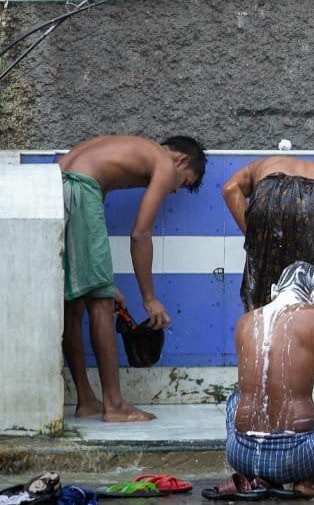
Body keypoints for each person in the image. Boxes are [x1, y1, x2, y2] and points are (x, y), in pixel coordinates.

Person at [221, 155, 314, 473]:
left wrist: (254, 239)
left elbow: (230, 188)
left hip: (269, 196)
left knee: (265, 316)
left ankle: (260, 424)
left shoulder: (259, 168)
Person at [58, 135, 206, 422]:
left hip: (57, 184)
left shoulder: (125, 147)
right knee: (100, 305)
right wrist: (149, 299)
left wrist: (103, 282)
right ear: (181, 160)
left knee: (73, 304)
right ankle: (114, 405)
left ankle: (87, 400)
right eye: (184, 182)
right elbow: (140, 234)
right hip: (81, 189)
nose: (174, 191)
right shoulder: (163, 161)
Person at [224, 261, 314, 499]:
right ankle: (308, 481)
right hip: (295, 458)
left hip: (240, 454)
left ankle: (257, 476)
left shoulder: (245, 322)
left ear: (274, 291)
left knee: (237, 396)